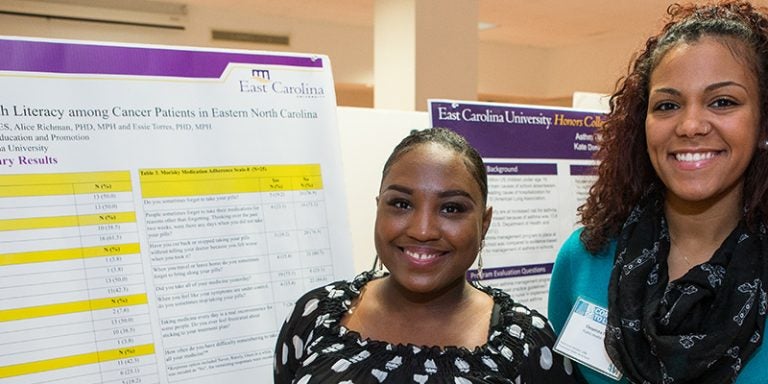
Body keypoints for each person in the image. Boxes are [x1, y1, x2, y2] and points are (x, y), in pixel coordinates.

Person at [548, 1, 768, 383]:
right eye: (667, 105)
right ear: (641, 124)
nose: (691, 125)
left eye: (723, 102)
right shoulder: (585, 258)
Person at [275, 127, 578, 383]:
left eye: (452, 208)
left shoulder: (527, 345)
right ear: (379, 207)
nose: (423, 230)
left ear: (484, 223)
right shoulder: (314, 316)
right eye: (402, 204)